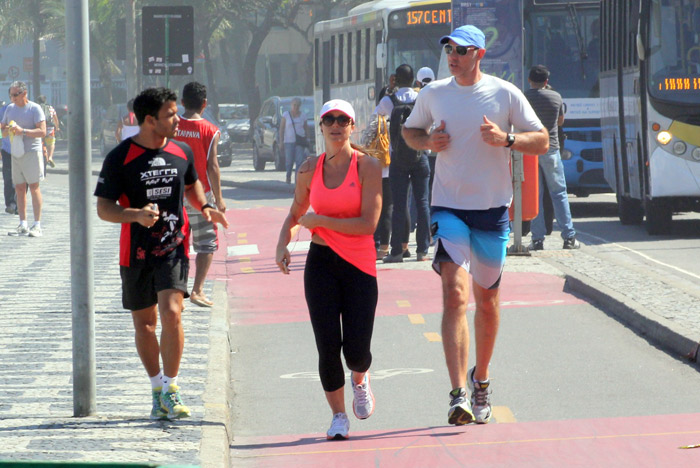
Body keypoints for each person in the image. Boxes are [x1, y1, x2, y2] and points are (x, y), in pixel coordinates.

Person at [401, 25, 549, 425]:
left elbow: (543, 139)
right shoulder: (434, 93)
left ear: (479, 54)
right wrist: (427, 143)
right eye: (449, 48)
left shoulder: (505, 93)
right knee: (453, 294)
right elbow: (409, 131)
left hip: (492, 210)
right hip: (448, 206)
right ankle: (457, 395)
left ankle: (480, 379)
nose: (453, 55)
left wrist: (506, 140)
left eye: (462, 50)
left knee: (487, 302)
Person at [94, 87, 228, 421]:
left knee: (172, 313)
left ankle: (172, 387)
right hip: (136, 253)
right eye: (170, 114)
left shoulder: (181, 151)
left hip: (173, 248)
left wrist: (207, 206)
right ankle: (156, 390)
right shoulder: (119, 157)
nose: (177, 119)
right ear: (150, 119)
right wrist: (135, 215)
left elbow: (193, 183)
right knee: (145, 324)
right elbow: (104, 208)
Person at [275, 99, 382, 440]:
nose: (336, 125)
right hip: (320, 264)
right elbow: (296, 214)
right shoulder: (309, 169)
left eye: (342, 120)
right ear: (320, 126)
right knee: (326, 345)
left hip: (359, 265)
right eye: (329, 120)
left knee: (356, 350)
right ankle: (338, 416)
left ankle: (361, 377)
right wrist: (282, 244)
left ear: (352, 125)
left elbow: (368, 225)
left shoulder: (368, 167)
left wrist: (320, 221)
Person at [174, 81, 227, 307]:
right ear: (204, 104)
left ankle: (177, 292)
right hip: (201, 197)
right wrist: (220, 200)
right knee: (206, 244)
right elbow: (212, 166)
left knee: (176, 242)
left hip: (173, 195)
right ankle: (197, 290)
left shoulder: (172, 126)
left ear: (182, 102)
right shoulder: (211, 131)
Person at [376, 64, 431, 263]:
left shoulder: (387, 101)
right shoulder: (423, 97)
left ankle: (397, 251)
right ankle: (422, 251)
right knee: (423, 202)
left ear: (396, 80)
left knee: (399, 204)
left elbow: (377, 119)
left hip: (397, 157)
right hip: (421, 154)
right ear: (413, 79)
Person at [524, 65, 580, 251]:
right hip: (551, 149)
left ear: (530, 80)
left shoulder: (524, 98)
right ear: (546, 81)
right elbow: (560, 121)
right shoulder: (556, 97)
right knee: (559, 193)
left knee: (535, 195)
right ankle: (569, 237)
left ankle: (538, 239)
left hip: (530, 150)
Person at [1, 81, 47, 237]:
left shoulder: (35, 108)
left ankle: (37, 225)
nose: (12, 98)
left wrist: (23, 131)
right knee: (19, 188)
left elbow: (42, 132)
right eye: (10, 95)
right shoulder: (9, 109)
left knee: (34, 186)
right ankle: (23, 223)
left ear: (24, 93)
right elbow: (3, 131)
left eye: (15, 95)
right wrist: (5, 130)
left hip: (31, 152)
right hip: (16, 153)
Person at [280, 97, 309, 184]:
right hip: (288, 142)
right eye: (294, 105)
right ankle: (288, 176)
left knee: (299, 161)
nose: (296, 107)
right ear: (291, 105)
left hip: (299, 142)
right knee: (289, 161)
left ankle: (297, 180)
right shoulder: (286, 115)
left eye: (297, 105)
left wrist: (307, 139)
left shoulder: (303, 115)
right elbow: (281, 129)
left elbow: (306, 128)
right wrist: (281, 141)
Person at [0, 96, 17, 214]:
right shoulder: (3, 110)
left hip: (23, 150)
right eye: (13, 95)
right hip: (7, 149)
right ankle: (11, 204)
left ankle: (20, 204)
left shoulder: (29, 109)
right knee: (8, 178)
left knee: (22, 180)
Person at [36, 95, 60, 169]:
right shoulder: (51, 108)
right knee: (51, 143)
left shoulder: (37, 108)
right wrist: (57, 127)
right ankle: (50, 157)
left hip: (40, 128)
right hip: (50, 128)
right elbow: (55, 119)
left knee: (41, 142)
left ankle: (43, 156)